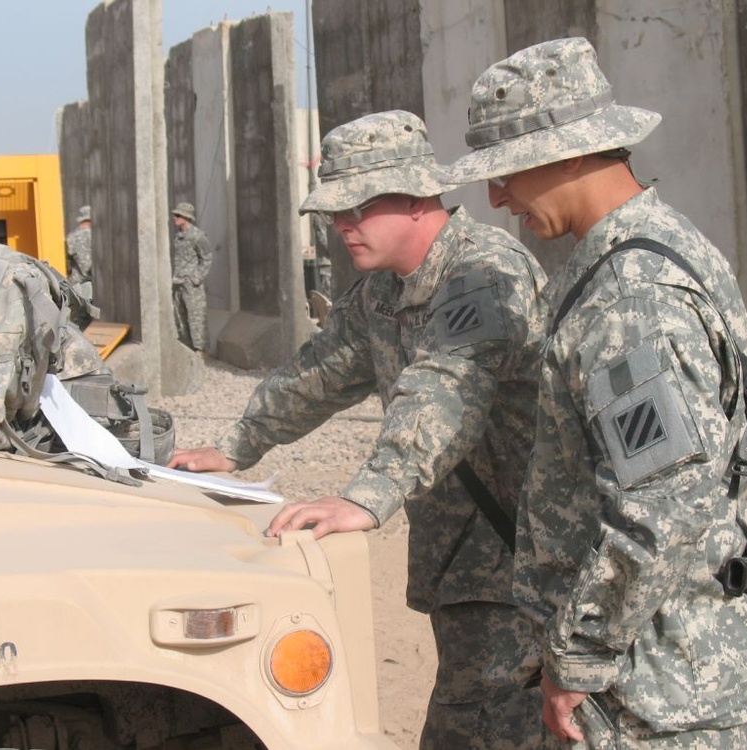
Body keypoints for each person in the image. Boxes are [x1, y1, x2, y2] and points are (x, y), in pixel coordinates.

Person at [168, 110, 550, 749]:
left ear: (417, 197)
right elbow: (319, 373)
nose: (341, 224)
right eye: (335, 210)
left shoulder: (484, 273)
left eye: (358, 207)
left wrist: (363, 496)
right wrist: (236, 445)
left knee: (481, 728)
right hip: (471, 557)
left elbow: (442, 394)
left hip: (527, 556)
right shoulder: (381, 291)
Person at [449, 37, 747, 747]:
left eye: (505, 172)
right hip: (647, 673)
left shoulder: (631, 296)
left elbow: (662, 507)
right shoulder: (630, 256)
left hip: (650, 693)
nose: (496, 198)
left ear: (569, 152)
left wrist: (582, 657)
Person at [170, 201, 213, 352]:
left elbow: (207, 259)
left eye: (178, 215)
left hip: (191, 285)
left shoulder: (197, 236)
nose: (174, 218)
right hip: (177, 282)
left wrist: (195, 278)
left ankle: (200, 351)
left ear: (186, 217)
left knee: (196, 317)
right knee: (180, 317)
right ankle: (187, 349)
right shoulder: (178, 236)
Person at [65, 205, 93, 288]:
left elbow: (67, 262)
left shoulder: (71, 237)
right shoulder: (98, 237)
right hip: (94, 284)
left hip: (76, 285)